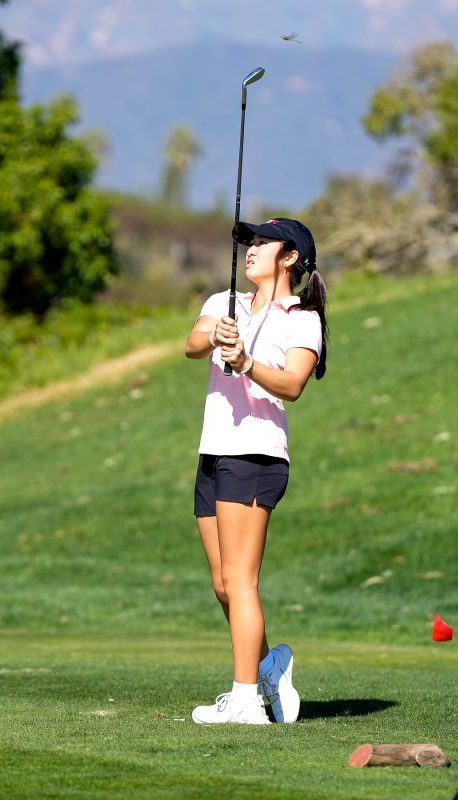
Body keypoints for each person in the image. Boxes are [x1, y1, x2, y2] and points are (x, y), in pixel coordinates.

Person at [183, 217, 329, 725]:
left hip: (258, 455)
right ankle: (270, 666)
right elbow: (191, 344)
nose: (251, 249)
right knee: (224, 585)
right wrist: (219, 334)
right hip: (215, 452)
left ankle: (246, 699)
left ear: (289, 257)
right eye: (249, 242)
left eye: (263, 243)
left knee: (242, 581)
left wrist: (245, 360)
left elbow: (291, 384)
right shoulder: (226, 303)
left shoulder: (302, 317)